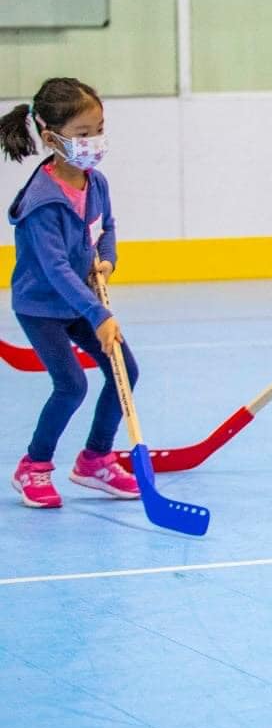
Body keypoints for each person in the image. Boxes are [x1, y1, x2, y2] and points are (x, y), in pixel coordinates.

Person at [3, 78, 142, 508]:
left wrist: (107, 258)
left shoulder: (95, 182)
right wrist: (98, 315)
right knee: (71, 385)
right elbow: (57, 270)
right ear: (51, 138)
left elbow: (106, 228)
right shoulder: (42, 202)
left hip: (81, 297)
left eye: (99, 130)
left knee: (125, 372)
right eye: (83, 134)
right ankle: (34, 467)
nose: (93, 142)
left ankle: (94, 460)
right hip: (42, 306)